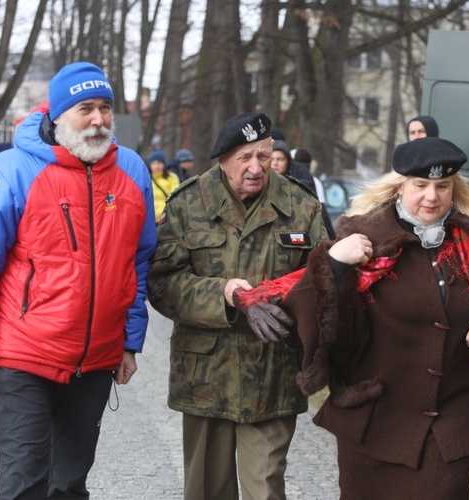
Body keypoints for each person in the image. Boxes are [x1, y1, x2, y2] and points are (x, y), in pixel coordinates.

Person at [246, 137, 469, 498]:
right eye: (420, 186)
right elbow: (325, 327)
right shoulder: (363, 237)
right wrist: (333, 265)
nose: (432, 197)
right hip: (376, 422)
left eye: (443, 186)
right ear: (399, 187)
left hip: (452, 421)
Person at [0, 62, 157, 499]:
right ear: (57, 114)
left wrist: (129, 343)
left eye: (105, 108)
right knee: (25, 481)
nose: (98, 119)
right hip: (22, 354)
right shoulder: (10, 170)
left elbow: (139, 264)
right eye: (85, 109)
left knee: (69, 484)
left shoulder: (133, 171)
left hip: (97, 359)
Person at [147, 112, 328, 500]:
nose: (256, 167)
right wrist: (227, 294)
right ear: (223, 159)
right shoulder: (187, 204)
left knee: (265, 490)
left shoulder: (301, 205)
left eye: (264, 156)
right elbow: (161, 283)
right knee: (205, 490)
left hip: (273, 373)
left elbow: (324, 282)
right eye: (245, 157)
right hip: (206, 377)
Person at [293, 147, 336, 237]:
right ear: (310, 162)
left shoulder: (286, 178)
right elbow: (322, 209)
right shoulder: (315, 181)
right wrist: (332, 235)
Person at [148, 148, 181, 223]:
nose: (156, 166)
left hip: (165, 219)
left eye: (159, 163)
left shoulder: (172, 177)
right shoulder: (145, 178)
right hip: (149, 219)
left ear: (164, 164)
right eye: (153, 163)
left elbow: (175, 197)